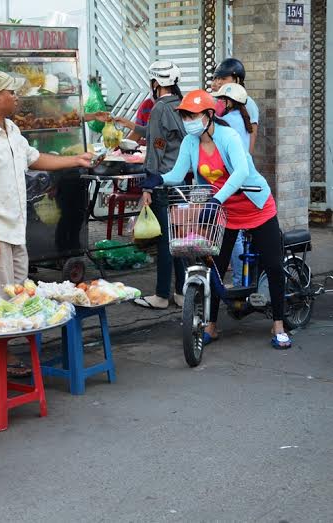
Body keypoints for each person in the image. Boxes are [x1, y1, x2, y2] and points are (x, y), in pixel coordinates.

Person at [0, 71, 92, 376]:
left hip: (14, 231)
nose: (17, 98)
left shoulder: (11, 129)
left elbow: (34, 158)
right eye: (12, 93)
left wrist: (75, 160)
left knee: (15, 297)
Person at [152, 89, 291, 349]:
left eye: (192, 115)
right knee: (214, 267)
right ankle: (211, 326)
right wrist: (157, 179)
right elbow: (179, 172)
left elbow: (240, 172)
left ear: (208, 115)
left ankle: (279, 325)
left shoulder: (229, 137)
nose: (187, 120)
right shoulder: (190, 142)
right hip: (226, 212)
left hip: (256, 206)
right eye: (184, 115)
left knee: (273, 265)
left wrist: (217, 199)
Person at [114, 60, 186, 309]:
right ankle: (180, 292)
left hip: (162, 182)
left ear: (155, 83)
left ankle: (161, 295)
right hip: (181, 181)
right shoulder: (181, 104)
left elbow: (156, 149)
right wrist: (132, 126)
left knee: (165, 241)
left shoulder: (158, 108)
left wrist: (147, 186)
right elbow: (162, 136)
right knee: (177, 238)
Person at [214, 82, 254, 287]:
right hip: (244, 181)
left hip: (232, 180)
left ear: (229, 102)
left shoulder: (226, 121)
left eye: (222, 100)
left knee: (234, 233)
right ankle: (242, 279)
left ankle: (239, 282)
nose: (219, 103)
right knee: (238, 232)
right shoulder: (242, 119)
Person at [212, 58, 259, 155]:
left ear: (236, 80)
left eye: (223, 78)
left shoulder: (248, 103)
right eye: (217, 78)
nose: (219, 82)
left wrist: (247, 160)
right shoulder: (217, 101)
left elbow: (252, 133)